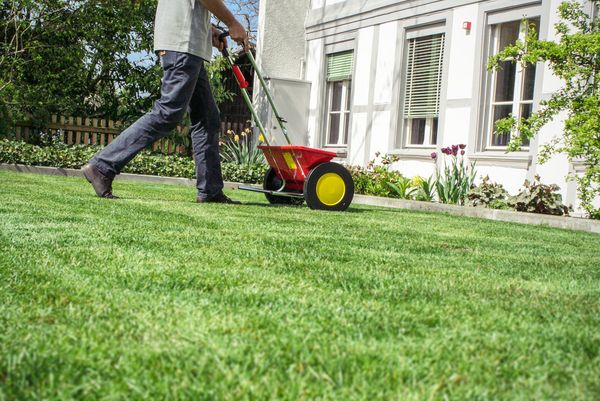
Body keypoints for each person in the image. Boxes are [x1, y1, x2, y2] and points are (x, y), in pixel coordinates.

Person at [82, 0, 249, 203]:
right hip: (183, 45)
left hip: (187, 44)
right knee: (168, 112)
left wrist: (208, 29)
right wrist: (232, 23)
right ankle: (102, 166)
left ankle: (211, 190)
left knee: (207, 117)